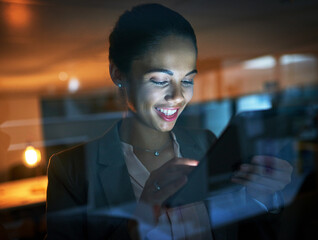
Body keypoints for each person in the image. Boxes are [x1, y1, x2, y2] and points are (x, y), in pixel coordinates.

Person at [46, 3, 293, 240]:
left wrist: (262, 198)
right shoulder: (71, 171)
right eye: (160, 80)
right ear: (118, 74)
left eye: (187, 80)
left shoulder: (206, 143)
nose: (177, 96)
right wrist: (140, 221)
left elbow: (240, 231)